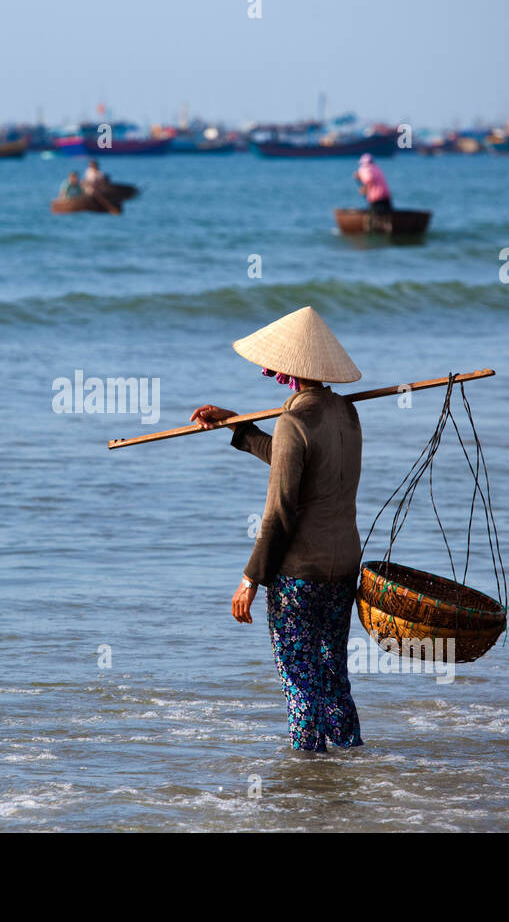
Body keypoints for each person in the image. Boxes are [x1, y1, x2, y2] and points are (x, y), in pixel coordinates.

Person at [189, 306, 365, 753]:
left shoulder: (293, 422)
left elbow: (280, 512)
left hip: (300, 575)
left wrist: (250, 579)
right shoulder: (346, 413)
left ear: (289, 368)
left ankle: (307, 775)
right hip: (344, 567)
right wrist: (237, 424)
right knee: (332, 673)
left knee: (299, 675)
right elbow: (296, 461)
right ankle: (348, 755)